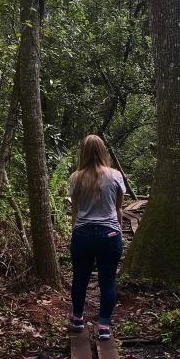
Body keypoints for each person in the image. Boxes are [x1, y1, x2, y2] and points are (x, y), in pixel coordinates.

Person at [68, 134, 126, 340]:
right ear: (103, 151)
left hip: (83, 233)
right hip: (109, 234)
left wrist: (76, 230)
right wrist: (117, 231)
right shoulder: (115, 175)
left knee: (80, 278)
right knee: (108, 281)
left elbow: (75, 209)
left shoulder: (76, 177)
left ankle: (77, 318)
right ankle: (103, 326)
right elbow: (118, 209)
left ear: (82, 152)